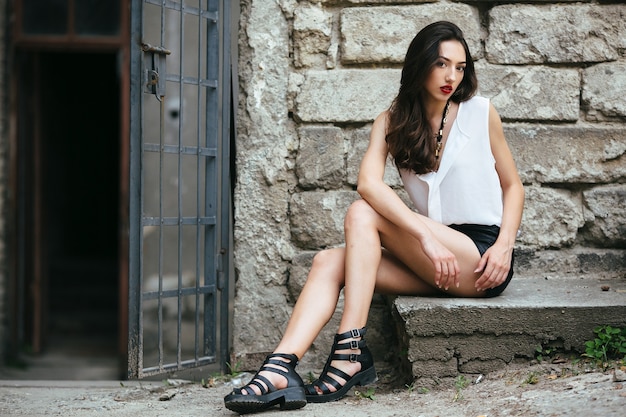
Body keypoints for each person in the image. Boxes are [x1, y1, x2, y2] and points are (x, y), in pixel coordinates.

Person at [224, 20, 525, 414]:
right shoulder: (393, 121)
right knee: (328, 261)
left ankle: (348, 353)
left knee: (363, 213)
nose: (451, 75)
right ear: (420, 64)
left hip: (480, 256)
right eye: (441, 64)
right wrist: (427, 239)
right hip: (432, 257)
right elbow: (367, 182)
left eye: (460, 66)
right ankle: (280, 368)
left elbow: (513, 186)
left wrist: (504, 245)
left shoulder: (481, 113)